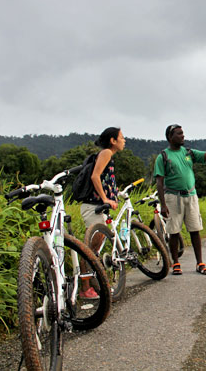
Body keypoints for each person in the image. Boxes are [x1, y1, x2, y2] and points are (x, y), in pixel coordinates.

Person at [154, 124, 206, 275]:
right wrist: (163, 204)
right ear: (170, 137)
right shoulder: (163, 156)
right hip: (172, 197)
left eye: (183, 133)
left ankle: (200, 263)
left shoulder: (189, 153)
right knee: (174, 232)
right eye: (179, 134)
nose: (183, 136)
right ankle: (175, 263)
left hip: (191, 196)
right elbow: (159, 182)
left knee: (195, 230)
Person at [79, 127, 126, 299]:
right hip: (93, 207)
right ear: (112, 140)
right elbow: (95, 176)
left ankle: (91, 285)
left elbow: (105, 179)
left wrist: (113, 193)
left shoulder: (108, 156)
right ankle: (85, 289)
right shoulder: (106, 153)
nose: (124, 140)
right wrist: (105, 198)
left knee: (95, 249)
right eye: (121, 137)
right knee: (90, 249)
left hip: (98, 207)